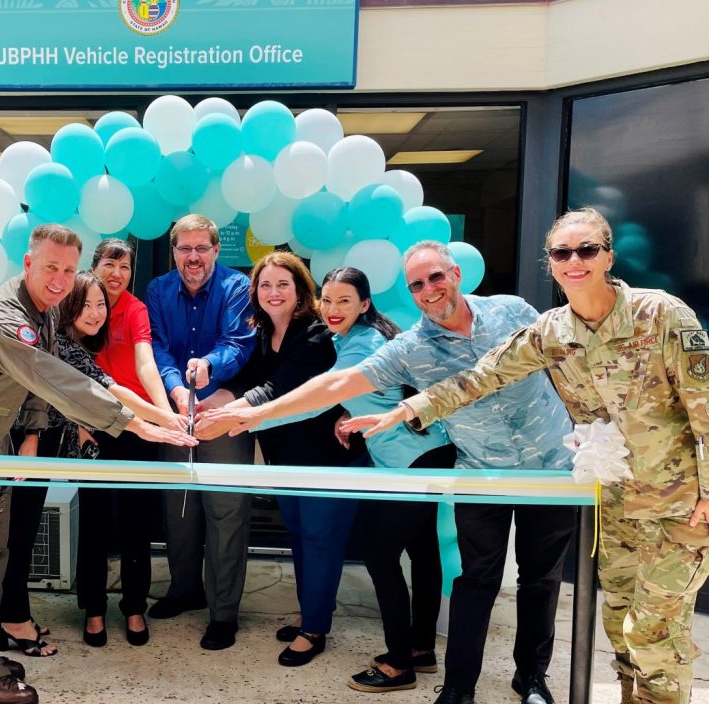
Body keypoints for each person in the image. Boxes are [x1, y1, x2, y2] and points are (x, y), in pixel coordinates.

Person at [346, 209, 709, 704]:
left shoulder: (662, 314)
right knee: (621, 625)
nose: (574, 260)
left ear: (607, 254)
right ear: (550, 263)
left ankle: (563, 683)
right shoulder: (552, 331)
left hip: (676, 505)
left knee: (654, 632)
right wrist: (408, 409)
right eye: (562, 252)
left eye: (587, 249)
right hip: (612, 506)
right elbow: (481, 377)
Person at [205, 241, 576, 704]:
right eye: (417, 284)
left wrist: (588, 430)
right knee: (475, 580)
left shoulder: (512, 311)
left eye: (435, 278)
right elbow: (334, 385)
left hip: (551, 466)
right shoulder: (410, 347)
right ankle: (453, 685)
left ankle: (531, 678)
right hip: (480, 471)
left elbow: (567, 365)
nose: (428, 291)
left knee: (540, 580)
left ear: (456, 274)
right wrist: (253, 417)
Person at [0, 224, 196, 704]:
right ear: (29, 263)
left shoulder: (42, 310)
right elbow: (52, 378)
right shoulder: (7, 320)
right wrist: (129, 421)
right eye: (51, 267)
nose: (61, 279)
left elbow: (32, 386)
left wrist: (30, 433)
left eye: (69, 270)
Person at [217, 266, 456, 688]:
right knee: (421, 550)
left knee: (381, 554)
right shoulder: (349, 336)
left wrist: (246, 418)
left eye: (344, 300)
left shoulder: (362, 341)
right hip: (420, 455)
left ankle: (399, 664)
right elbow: (376, 391)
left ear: (364, 304)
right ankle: (421, 650)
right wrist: (350, 413)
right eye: (326, 300)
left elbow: (320, 396)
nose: (331, 308)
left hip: (415, 458)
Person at [0, 271, 184, 657]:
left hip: (42, 441)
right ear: (68, 306)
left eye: (101, 305)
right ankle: (12, 620)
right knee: (16, 532)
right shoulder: (62, 343)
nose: (96, 313)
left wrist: (79, 425)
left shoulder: (69, 340)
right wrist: (165, 420)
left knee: (24, 530)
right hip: (26, 443)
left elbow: (71, 394)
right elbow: (103, 390)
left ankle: (15, 616)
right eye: (86, 304)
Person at [203, 253, 363, 667]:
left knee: (320, 542)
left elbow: (278, 386)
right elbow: (246, 379)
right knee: (300, 539)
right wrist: (211, 402)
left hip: (325, 459)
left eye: (283, 285)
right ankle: (312, 615)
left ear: (299, 291)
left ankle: (314, 631)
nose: (273, 293)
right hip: (285, 459)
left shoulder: (314, 334)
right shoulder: (258, 334)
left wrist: (231, 414)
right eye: (265, 285)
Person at [145, 213, 257, 651]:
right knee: (180, 509)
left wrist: (209, 366)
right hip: (176, 415)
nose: (193, 257)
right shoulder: (157, 289)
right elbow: (156, 345)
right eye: (184, 248)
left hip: (224, 416)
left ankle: (223, 611)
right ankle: (184, 588)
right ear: (174, 251)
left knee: (226, 514)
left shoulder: (237, 288)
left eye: (201, 248)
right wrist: (174, 387)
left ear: (215, 250)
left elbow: (238, 342)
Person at [85, 238, 184, 647]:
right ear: (95, 266)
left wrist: (165, 415)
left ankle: (134, 606)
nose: (117, 274)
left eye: (125, 267)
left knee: (136, 522)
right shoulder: (79, 303)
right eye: (110, 264)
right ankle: (93, 608)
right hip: (91, 425)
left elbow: (146, 362)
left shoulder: (135, 309)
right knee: (93, 522)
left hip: (137, 427)